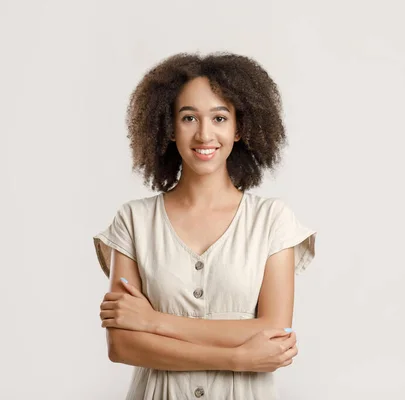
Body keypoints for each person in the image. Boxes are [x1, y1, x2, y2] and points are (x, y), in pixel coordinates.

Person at [92, 52, 317, 400]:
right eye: (188, 118)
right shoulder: (133, 221)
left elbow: (275, 331)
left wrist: (154, 322)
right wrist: (236, 357)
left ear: (239, 128)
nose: (204, 134)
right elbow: (122, 344)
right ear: (168, 128)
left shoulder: (273, 221)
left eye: (219, 118)